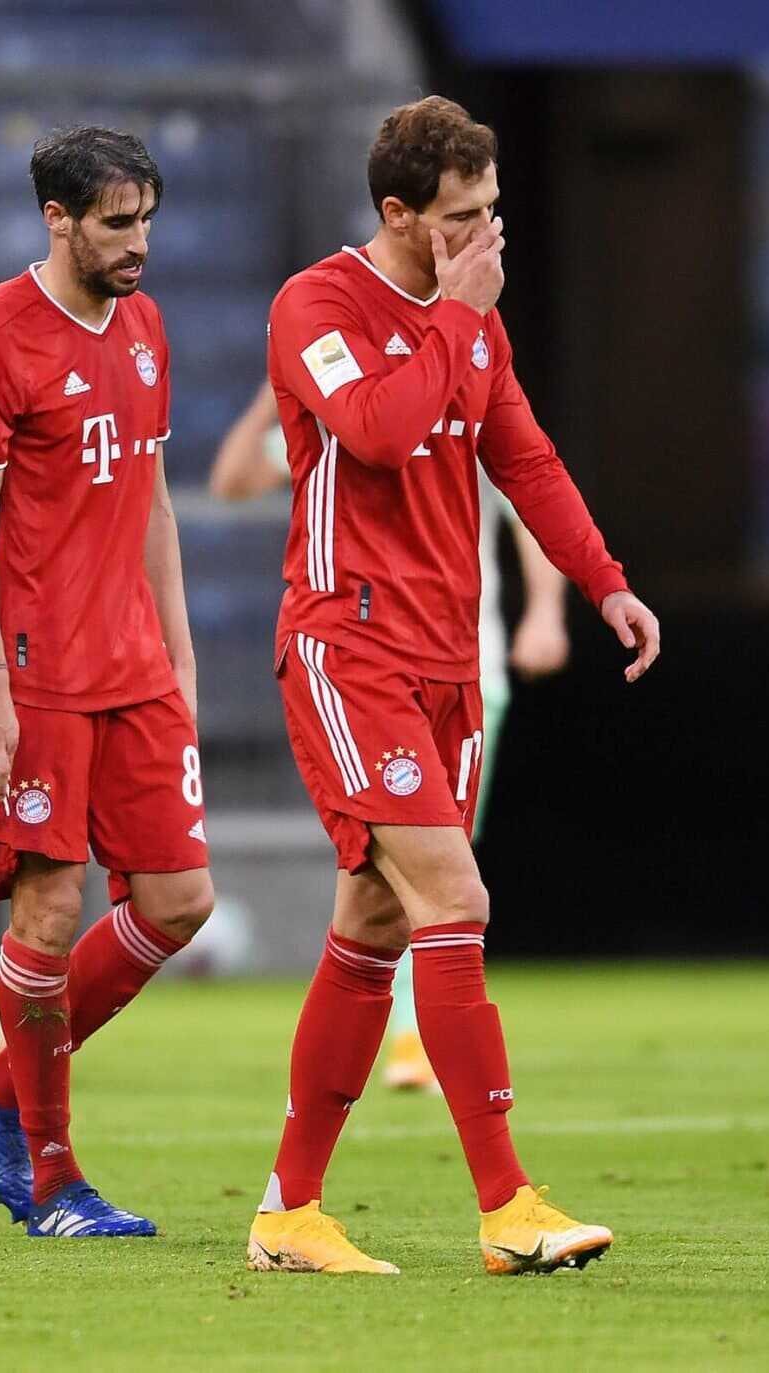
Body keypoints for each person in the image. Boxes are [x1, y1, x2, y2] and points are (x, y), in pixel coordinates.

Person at [246, 96, 659, 1276]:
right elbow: (375, 433)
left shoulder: (473, 323)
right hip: (347, 644)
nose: (485, 237)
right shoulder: (315, 305)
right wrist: (455, 321)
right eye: (460, 217)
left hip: (445, 658)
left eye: (492, 213)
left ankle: (286, 1212)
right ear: (396, 213)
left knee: (373, 924)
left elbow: (520, 454)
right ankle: (505, 1201)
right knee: (452, 896)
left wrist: (602, 581)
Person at [0, 128, 215, 1239]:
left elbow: (147, 492)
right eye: (113, 223)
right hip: (33, 671)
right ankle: (50, 1176)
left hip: (130, 663)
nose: (136, 242)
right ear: (55, 219)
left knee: (180, 898)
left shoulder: (142, 325)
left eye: (144, 218)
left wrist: (178, 649)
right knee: (47, 907)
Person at [207, 381, 571, 1090]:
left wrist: (546, 612)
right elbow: (232, 481)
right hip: (373, 680)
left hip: (470, 671)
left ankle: (400, 1043)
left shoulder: (470, 406)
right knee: (415, 871)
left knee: (434, 870)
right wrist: (271, 395)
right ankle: (409, 1038)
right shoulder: (352, 421)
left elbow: (533, 510)